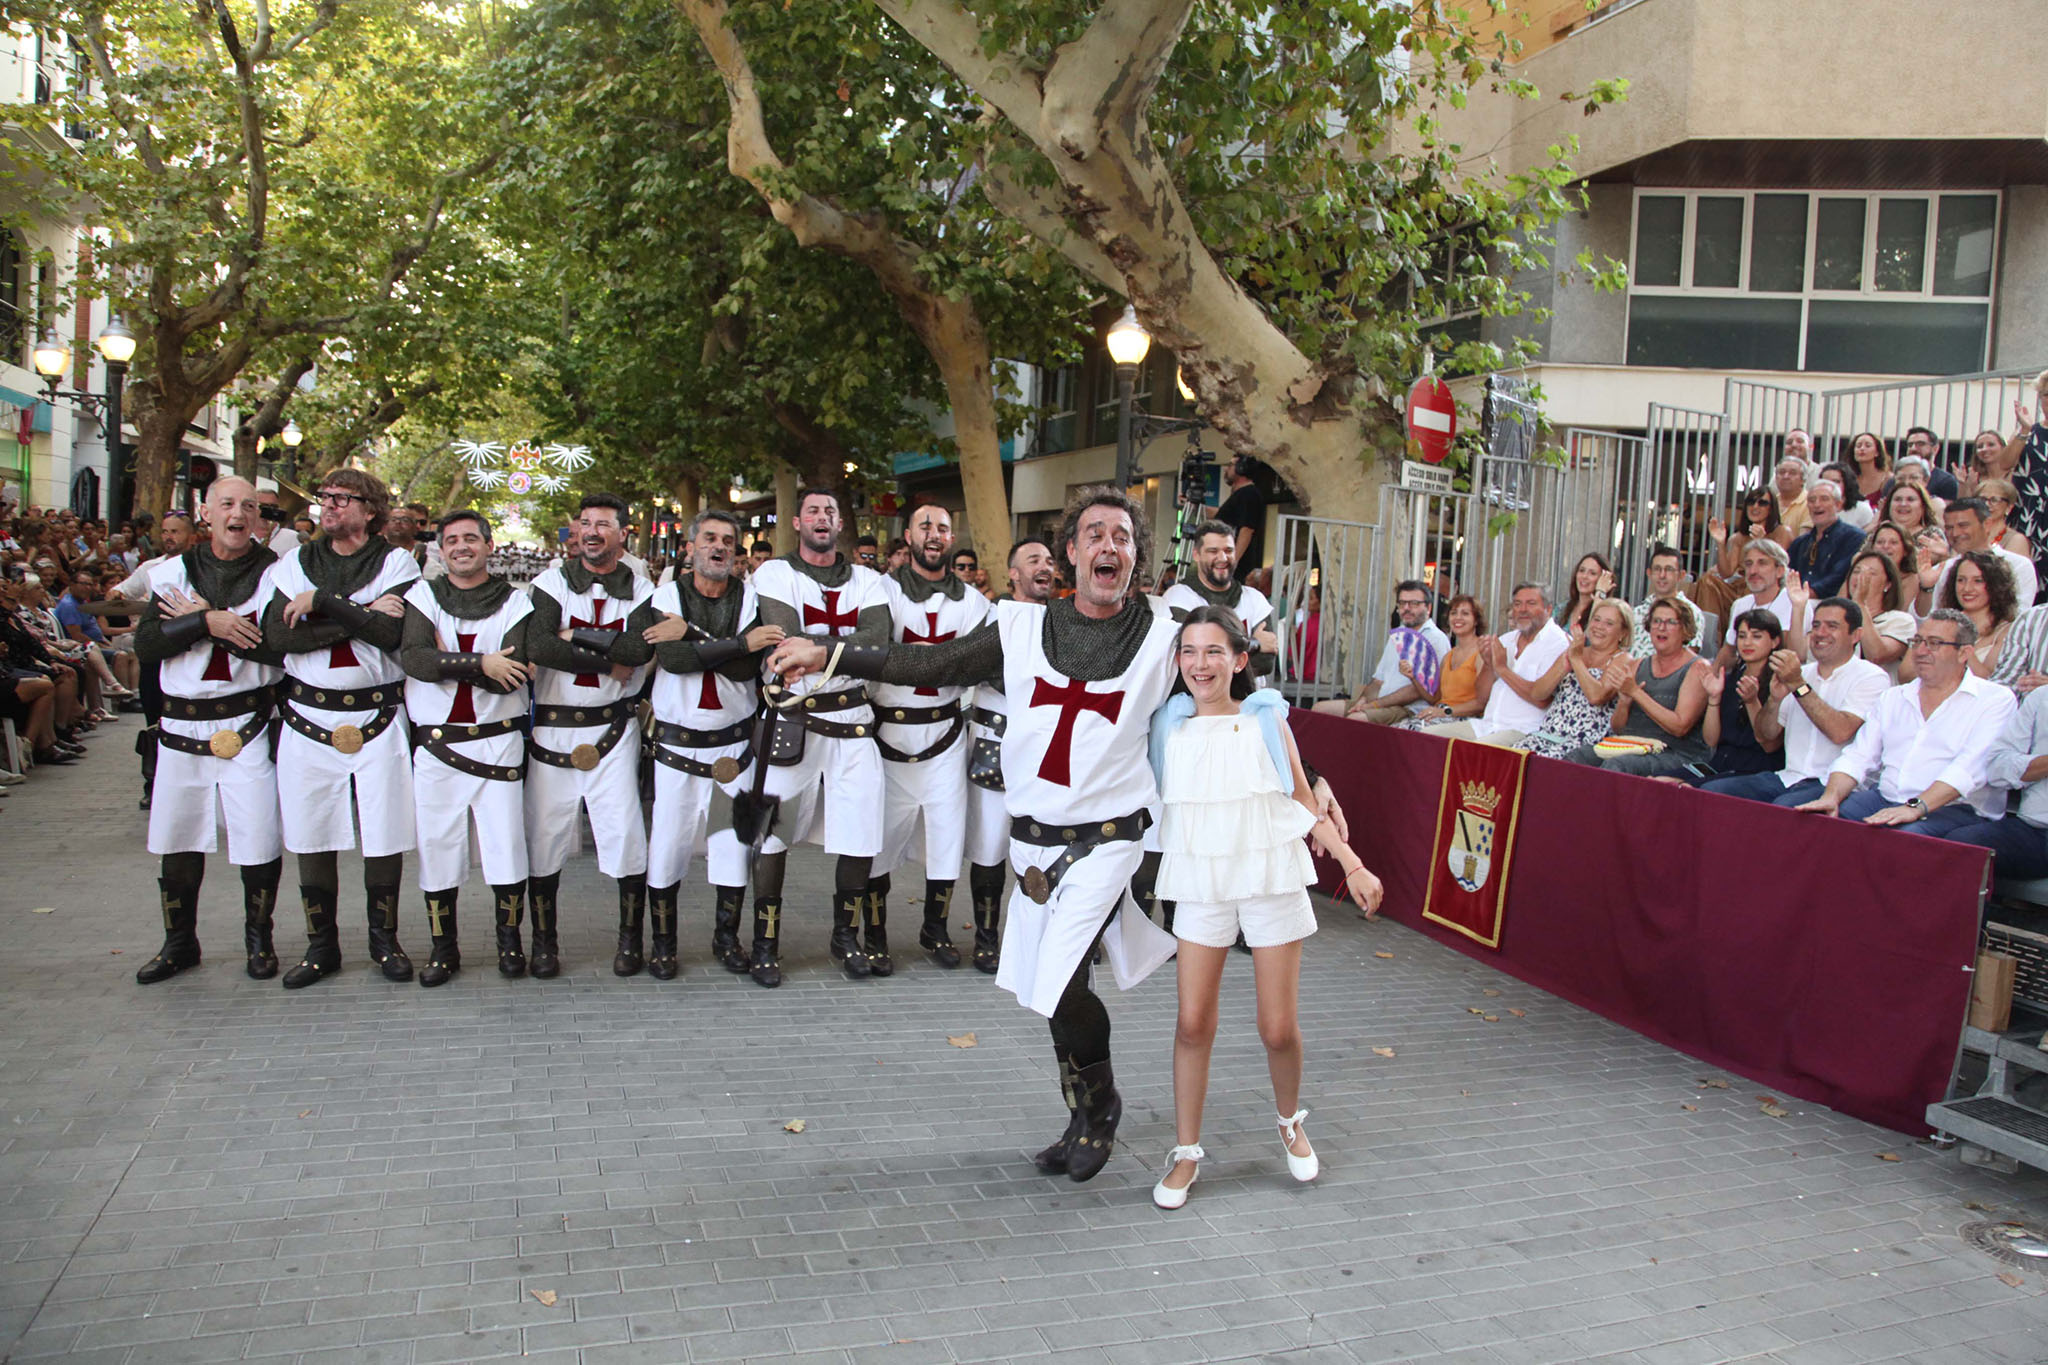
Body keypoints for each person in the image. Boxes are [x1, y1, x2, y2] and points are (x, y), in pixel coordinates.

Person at [767, 487, 1345, 1184]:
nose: (1110, 546)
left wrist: (1311, 781)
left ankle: (1100, 1107)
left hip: (1111, 839)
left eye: (1123, 536)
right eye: (1095, 534)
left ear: (1137, 555)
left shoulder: (1166, 636)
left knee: (1065, 980)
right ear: (1071, 551)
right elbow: (929, 664)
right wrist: (830, 653)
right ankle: (1079, 1110)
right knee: (1051, 989)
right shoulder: (1017, 627)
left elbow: (1232, 701)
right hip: (1035, 843)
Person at [1146, 606, 1380, 1210]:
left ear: (1240, 659)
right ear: (1178, 662)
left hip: (1270, 873)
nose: (1201, 664)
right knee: (1193, 1022)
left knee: (1276, 1027)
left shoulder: (1266, 719)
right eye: (1190, 652)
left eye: (1214, 652)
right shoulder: (1166, 727)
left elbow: (1302, 798)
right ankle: (1187, 1151)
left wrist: (1351, 864)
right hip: (1200, 876)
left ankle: (1290, 1122)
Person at [262, 467, 423, 988]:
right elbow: (276, 638)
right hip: (307, 716)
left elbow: (393, 631)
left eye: (341, 498)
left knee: (385, 830)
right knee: (311, 831)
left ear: (369, 509)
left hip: (378, 715)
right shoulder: (294, 563)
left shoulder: (396, 561)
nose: (328, 506)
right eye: (324, 497)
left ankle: (384, 941)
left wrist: (322, 604)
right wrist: (357, 615)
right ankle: (321, 945)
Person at [129, 478, 286, 984]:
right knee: (178, 836)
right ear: (206, 512)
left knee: (259, 835)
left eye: (249, 507)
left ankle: (258, 940)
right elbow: (149, 645)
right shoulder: (172, 571)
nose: (238, 514)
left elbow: (284, 649)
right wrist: (208, 622)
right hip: (182, 725)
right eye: (227, 504)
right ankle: (179, 943)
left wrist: (206, 621)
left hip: (249, 721)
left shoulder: (278, 575)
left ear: (259, 518)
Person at [749, 488, 892, 984]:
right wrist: (847, 649)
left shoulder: (871, 581)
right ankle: (765, 941)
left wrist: (818, 648)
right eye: (813, 510)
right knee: (771, 836)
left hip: (853, 723)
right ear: (796, 522)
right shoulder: (775, 574)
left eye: (831, 510)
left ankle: (845, 938)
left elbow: (878, 642)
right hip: (793, 719)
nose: (823, 517)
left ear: (840, 523)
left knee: (860, 835)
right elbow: (787, 636)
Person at [640, 509, 780, 981]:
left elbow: (744, 671)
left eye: (727, 541)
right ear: (691, 547)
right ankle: (662, 943)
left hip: (733, 750)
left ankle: (726, 938)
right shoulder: (664, 597)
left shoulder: (753, 599)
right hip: (677, 750)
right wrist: (737, 643)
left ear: (736, 552)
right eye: (709, 539)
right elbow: (675, 659)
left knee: (733, 846)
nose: (718, 547)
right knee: (667, 845)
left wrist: (711, 643)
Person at [522, 493, 656, 978]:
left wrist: (570, 637)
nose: (593, 531)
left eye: (604, 524)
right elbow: (536, 644)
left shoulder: (642, 590)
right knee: (544, 835)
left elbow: (639, 649)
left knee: (625, 834)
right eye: (585, 523)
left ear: (622, 534)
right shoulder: (548, 582)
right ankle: (543, 943)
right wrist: (602, 652)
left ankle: (629, 941)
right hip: (553, 729)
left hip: (614, 728)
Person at [397, 509, 534, 987]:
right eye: (451, 539)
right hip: (438, 747)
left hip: (498, 743)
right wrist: (481, 661)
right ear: (440, 548)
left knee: (507, 846)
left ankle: (510, 942)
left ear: (489, 545)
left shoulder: (516, 603)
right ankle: (443, 948)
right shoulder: (422, 595)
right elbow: (414, 658)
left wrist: (447, 660)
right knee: (436, 847)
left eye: (471, 538)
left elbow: (511, 678)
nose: (461, 546)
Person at [870, 502, 991, 972]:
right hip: (887, 738)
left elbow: (975, 664)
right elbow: (877, 653)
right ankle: (875, 932)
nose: (935, 534)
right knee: (877, 840)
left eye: (943, 526)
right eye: (926, 526)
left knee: (946, 840)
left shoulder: (974, 603)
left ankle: (934, 930)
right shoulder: (881, 591)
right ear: (908, 535)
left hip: (944, 737)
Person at [1796, 609, 2016, 833]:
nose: (1920, 651)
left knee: (1907, 837)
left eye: (1934, 643)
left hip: (1957, 808)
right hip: (1887, 797)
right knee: (1823, 820)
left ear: (1964, 653)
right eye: (1917, 641)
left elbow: (1969, 769)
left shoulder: (1995, 699)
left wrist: (1916, 807)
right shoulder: (1894, 697)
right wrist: (1831, 797)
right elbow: (1858, 755)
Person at [960, 537, 1059, 973]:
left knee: (1048, 846)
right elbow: (976, 667)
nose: (1045, 566)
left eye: (1050, 560)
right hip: (994, 744)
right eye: (1033, 559)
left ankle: (1044, 935)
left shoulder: (1065, 621)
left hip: (1044, 751)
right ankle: (985, 937)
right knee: (989, 846)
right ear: (1013, 574)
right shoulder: (990, 616)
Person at [1702, 598, 1888, 807]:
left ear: (1856, 635)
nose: (1820, 632)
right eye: (1816, 625)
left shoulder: (1871, 677)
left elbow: (1840, 732)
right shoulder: (1803, 672)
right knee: (1711, 793)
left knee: (1784, 808)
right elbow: (1767, 739)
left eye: (1832, 626)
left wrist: (1798, 685)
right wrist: (1773, 700)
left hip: (1834, 784)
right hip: (1788, 777)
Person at [1567, 598, 1710, 776]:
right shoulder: (1637, 665)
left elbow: (1679, 727)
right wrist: (1624, 703)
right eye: (1656, 621)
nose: (1661, 627)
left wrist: (1635, 692)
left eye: (1670, 622)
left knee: (1619, 765)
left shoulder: (1697, 668)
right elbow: (1618, 728)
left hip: (1676, 753)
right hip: (1633, 746)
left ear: (1685, 629)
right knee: (1577, 756)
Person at [1421, 582, 1571, 745]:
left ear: (1548, 609)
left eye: (1531, 603)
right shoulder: (1506, 639)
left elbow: (1541, 699)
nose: (1522, 609)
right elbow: (1482, 697)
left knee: (1479, 750)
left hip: (1524, 730)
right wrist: (1488, 664)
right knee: (1426, 737)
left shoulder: (1559, 643)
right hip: (1486, 725)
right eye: (1517, 604)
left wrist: (1502, 668)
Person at [1942, 685, 2048, 878]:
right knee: (1961, 843)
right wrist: (2042, 764)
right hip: (2035, 829)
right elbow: (1997, 767)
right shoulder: (2041, 697)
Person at [1310, 579, 1445, 724]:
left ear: (1428, 607)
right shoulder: (1398, 635)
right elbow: (1378, 681)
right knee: (1320, 709)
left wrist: (1373, 705)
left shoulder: (1435, 638)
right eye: (1402, 603)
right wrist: (1362, 700)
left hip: (1408, 708)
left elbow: (1419, 690)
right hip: (1379, 702)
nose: (1406, 608)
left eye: (1414, 604)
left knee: (1356, 719)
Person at [1518, 600, 1631, 760]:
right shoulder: (1575, 651)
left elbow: (1596, 696)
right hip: (1548, 735)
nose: (1599, 626)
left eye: (1609, 623)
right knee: (1514, 758)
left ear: (1623, 633)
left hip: (1584, 742)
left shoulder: (1622, 659)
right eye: (1596, 619)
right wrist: (1563, 667)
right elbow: (1538, 693)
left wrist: (1576, 661)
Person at [1694, 610, 1785, 783]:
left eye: (1756, 636)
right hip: (1720, 763)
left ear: (1774, 641)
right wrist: (1714, 698)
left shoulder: (1779, 683)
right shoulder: (1729, 679)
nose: (1747, 643)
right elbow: (1711, 740)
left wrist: (1752, 701)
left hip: (1756, 769)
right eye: (1742, 636)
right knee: (1661, 782)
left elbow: (1769, 744)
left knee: (1690, 790)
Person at [1919, 499, 2038, 619]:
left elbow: (2018, 618)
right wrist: (1926, 587)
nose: (1955, 533)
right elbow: (1924, 619)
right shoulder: (1942, 569)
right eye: (1949, 528)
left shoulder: (2018, 565)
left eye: (1963, 525)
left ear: (1987, 524)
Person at [1396, 595, 1489, 729]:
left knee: (1413, 731)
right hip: (1440, 714)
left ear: (1476, 620)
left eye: (1465, 613)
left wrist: (1444, 712)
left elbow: (1481, 704)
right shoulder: (1448, 656)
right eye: (1453, 613)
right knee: (1396, 731)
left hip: (1465, 719)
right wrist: (1414, 676)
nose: (1458, 618)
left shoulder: (1482, 653)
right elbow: (1434, 698)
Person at [1700, 490, 1791, 622]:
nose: (1755, 507)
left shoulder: (1782, 532)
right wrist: (1720, 543)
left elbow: (1779, 564)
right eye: (1751, 502)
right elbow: (1726, 573)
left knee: (1754, 580)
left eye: (1762, 503)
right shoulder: (1738, 538)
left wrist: (1763, 541)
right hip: (1739, 585)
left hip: (1765, 584)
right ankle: (1711, 634)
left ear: (1771, 509)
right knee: (1707, 581)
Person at [1936, 549, 2018, 680]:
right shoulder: (1939, 622)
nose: (1967, 588)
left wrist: (1961, 642)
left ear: (1996, 585)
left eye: (1978, 581)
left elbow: (1989, 683)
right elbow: (1905, 674)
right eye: (1961, 580)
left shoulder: (2008, 632)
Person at [1717, 539, 1795, 667]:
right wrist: (1711, 677)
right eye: (1748, 564)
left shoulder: (1793, 602)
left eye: (1762, 563)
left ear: (1780, 571)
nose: (1753, 571)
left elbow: (1794, 653)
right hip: (1743, 675)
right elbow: (1728, 651)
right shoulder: (1740, 605)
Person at [1836, 551, 1914, 680]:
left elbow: (1877, 655)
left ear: (1887, 584)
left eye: (1871, 573)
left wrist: (1860, 603)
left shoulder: (1901, 620)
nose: (1860, 577)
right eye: (1856, 571)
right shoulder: (1838, 620)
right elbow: (1804, 654)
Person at [1785, 480, 1860, 597]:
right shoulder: (1800, 543)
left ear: (1838, 505)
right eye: (1811, 500)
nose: (1817, 505)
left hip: (1830, 603)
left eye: (1824, 499)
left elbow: (1841, 576)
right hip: (1797, 599)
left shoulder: (1853, 537)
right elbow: (1787, 573)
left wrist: (1810, 593)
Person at [1629, 544, 1703, 659]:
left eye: (1669, 570)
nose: (1662, 575)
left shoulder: (1692, 613)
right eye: (1657, 569)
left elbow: (1688, 659)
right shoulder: (1636, 612)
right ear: (1649, 573)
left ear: (1681, 575)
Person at [1215, 456, 1266, 581]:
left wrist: (1233, 560)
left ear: (1241, 469)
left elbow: (1247, 530)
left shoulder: (1249, 494)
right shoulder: (1240, 495)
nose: (1226, 469)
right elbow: (1222, 514)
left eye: (1230, 465)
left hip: (1239, 567)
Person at [1975, 477, 2035, 563]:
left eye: (1994, 500)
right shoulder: (1970, 534)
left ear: (2009, 507)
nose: (1987, 504)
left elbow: (2013, 575)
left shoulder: (2016, 540)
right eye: (1982, 499)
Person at [1555, 553, 1614, 633]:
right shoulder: (1561, 609)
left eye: (1592, 573)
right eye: (1582, 570)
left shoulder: (1608, 613)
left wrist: (1600, 594)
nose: (1584, 576)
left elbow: (1593, 636)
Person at [1902, 426, 1962, 501]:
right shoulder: (1894, 480)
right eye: (1910, 445)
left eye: (1920, 444)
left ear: (1935, 448)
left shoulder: (1946, 481)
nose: (1913, 448)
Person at [1818, 461, 1874, 533]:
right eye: (1825, 482)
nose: (1830, 486)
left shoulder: (1862, 509)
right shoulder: (1815, 507)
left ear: (1847, 483)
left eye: (1836, 481)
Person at [1847, 431, 1893, 517]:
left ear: (1877, 452)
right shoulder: (1848, 478)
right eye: (1858, 446)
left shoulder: (1887, 479)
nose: (1862, 449)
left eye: (1868, 445)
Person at [1772, 454, 1812, 539]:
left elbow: (1804, 541)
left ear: (1803, 480)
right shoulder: (1770, 502)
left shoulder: (1810, 502)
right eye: (1782, 472)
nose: (1786, 476)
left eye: (1792, 473)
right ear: (1775, 477)